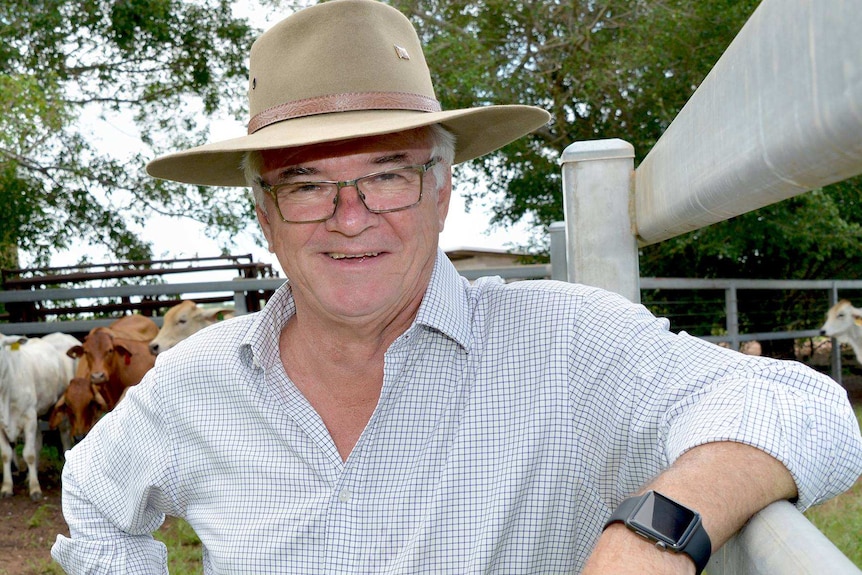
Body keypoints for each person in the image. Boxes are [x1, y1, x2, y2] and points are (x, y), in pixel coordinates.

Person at [52, 1, 862, 573]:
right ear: (265, 213)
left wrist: (654, 534)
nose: (349, 217)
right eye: (305, 185)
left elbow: (808, 408)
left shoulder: (563, 343)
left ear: (443, 190)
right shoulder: (197, 382)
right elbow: (93, 504)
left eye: (389, 175)